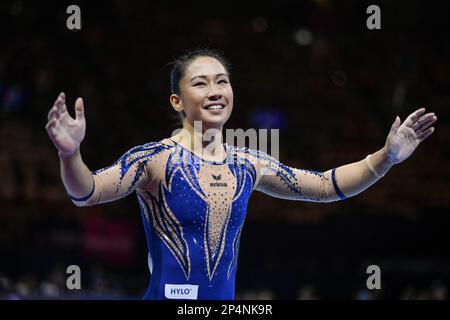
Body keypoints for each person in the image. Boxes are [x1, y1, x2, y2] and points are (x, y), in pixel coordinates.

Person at [45, 48, 437, 300]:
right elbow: (89, 192)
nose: (215, 90)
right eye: (201, 83)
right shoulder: (155, 160)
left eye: (222, 82)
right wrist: (70, 153)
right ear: (177, 101)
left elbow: (323, 187)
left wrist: (385, 158)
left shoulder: (248, 163)